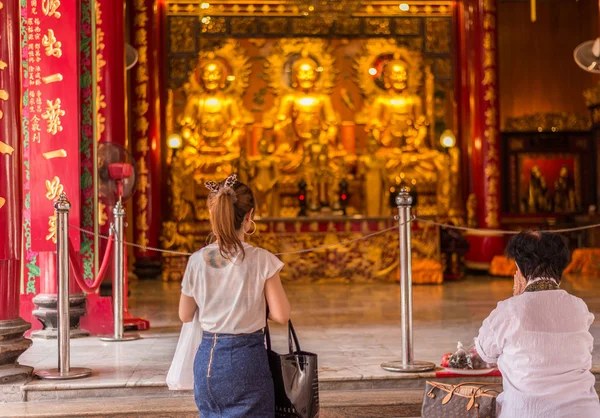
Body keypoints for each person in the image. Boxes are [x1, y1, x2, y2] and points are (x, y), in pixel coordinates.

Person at [178, 173, 291, 418]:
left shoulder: (197, 261)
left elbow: (185, 315)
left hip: (208, 361)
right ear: (249, 216)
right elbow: (282, 315)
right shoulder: (263, 260)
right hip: (247, 361)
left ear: (212, 214)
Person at [476, 231, 600, 417]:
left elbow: (485, 352)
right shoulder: (579, 307)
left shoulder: (510, 310)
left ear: (519, 267)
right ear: (562, 267)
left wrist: (517, 300)